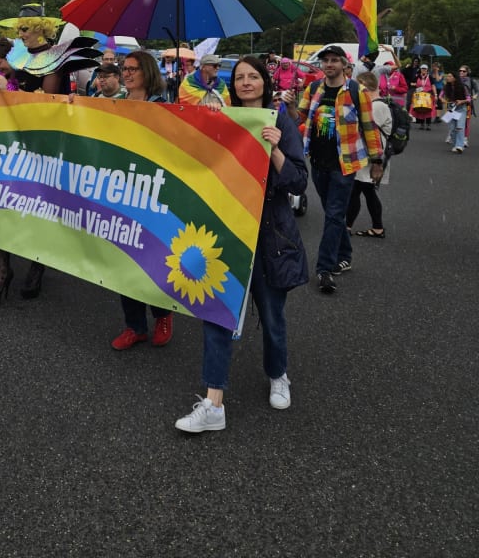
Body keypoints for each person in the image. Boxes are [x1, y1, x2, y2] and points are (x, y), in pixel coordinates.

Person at [175, 55, 308, 433]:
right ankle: (213, 403)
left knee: (271, 316)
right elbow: (197, 163)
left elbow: (299, 182)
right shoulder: (222, 114)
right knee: (217, 313)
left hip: (269, 234)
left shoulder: (280, 119)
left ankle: (278, 373)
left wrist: (277, 149)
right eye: (239, 77)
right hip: (227, 231)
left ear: (265, 81)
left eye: (253, 76)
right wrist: (206, 121)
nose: (246, 82)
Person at [0, 6, 99, 305]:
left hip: (43, 142)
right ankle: (3, 269)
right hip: (13, 137)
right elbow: (13, 88)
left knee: (37, 202)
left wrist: (8, 87)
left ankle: (37, 263)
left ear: (39, 29)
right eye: (18, 30)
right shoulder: (18, 56)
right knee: (4, 200)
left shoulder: (55, 57)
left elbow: (44, 101)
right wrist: (2, 83)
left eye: (24, 29)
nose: (19, 35)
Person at [283, 44, 383, 295]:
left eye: (334, 60)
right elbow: (301, 120)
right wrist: (291, 106)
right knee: (333, 213)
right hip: (318, 162)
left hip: (344, 163)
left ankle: (324, 269)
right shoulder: (314, 88)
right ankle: (345, 254)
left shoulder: (355, 90)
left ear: (344, 65)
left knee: (335, 213)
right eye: (325, 60)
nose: (329, 64)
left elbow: (369, 127)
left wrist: (377, 161)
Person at [110, 50, 174, 350]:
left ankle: (162, 314)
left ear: (147, 72)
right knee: (125, 262)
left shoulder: (162, 106)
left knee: (152, 260)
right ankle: (134, 325)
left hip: (152, 193)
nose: (127, 73)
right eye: (125, 68)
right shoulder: (117, 102)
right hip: (122, 190)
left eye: (134, 68)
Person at [346, 72, 392, 238]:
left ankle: (347, 227)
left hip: (372, 158)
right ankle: (376, 227)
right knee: (364, 191)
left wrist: (376, 162)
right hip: (371, 157)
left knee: (357, 190)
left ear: (364, 86)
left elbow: (367, 131)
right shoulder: (376, 104)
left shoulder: (377, 106)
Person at [440, 72, 469, 153]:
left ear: (454, 78)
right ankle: (455, 145)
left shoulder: (463, 87)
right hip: (451, 109)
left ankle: (460, 146)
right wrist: (442, 99)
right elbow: (440, 96)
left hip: (461, 109)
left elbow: (469, 99)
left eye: (450, 76)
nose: (447, 77)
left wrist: (461, 101)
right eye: (447, 76)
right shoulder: (446, 87)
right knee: (452, 129)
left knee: (460, 127)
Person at [409, 64, 436, 130]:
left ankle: (428, 124)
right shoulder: (417, 76)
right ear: (420, 70)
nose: (423, 70)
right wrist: (415, 85)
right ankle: (422, 124)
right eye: (422, 69)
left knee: (428, 109)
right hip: (420, 95)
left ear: (427, 70)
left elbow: (433, 85)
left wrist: (435, 94)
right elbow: (411, 83)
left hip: (428, 95)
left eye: (425, 69)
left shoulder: (430, 77)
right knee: (420, 109)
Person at [458, 64, 478, 146]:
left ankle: (465, 139)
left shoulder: (471, 80)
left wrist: (476, 95)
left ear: (467, 72)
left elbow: (477, 90)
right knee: (454, 121)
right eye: (460, 71)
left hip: (467, 104)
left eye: (464, 71)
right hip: (456, 103)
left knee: (466, 122)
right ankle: (452, 135)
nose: (461, 72)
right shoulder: (456, 79)